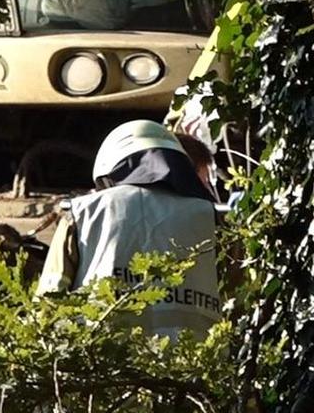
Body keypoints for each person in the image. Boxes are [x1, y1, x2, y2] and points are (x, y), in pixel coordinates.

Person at [37, 119, 221, 338]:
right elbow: (239, 298)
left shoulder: (81, 213)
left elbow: (49, 301)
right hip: (196, 364)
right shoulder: (211, 217)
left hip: (99, 362)